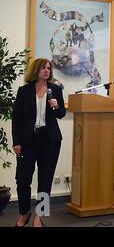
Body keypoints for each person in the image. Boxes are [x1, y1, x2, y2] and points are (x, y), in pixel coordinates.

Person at [12, 58, 66, 227]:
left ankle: (39, 218)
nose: (46, 70)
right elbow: (17, 119)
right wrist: (17, 142)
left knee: (45, 180)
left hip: (50, 141)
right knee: (22, 179)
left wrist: (57, 106)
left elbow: (62, 114)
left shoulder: (55, 89)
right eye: (43, 68)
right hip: (28, 141)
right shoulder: (24, 91)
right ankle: (24, 213)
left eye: (49, 68)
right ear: (36, 70)